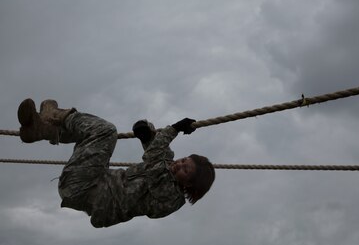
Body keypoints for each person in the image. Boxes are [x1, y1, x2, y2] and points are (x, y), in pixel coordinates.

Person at [17, 98, 215, 228]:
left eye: (186, 170)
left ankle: (54, 117)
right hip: (94, 179)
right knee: (92, 136)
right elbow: (158, 154)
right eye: (183, 160)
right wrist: (146, 135)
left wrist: (174, 129)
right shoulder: (167, 168)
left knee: (106, 131)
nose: (179, 165)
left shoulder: (171, 198)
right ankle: (45, 130)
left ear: (189, 184)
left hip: (86, 189)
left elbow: (153, 159)